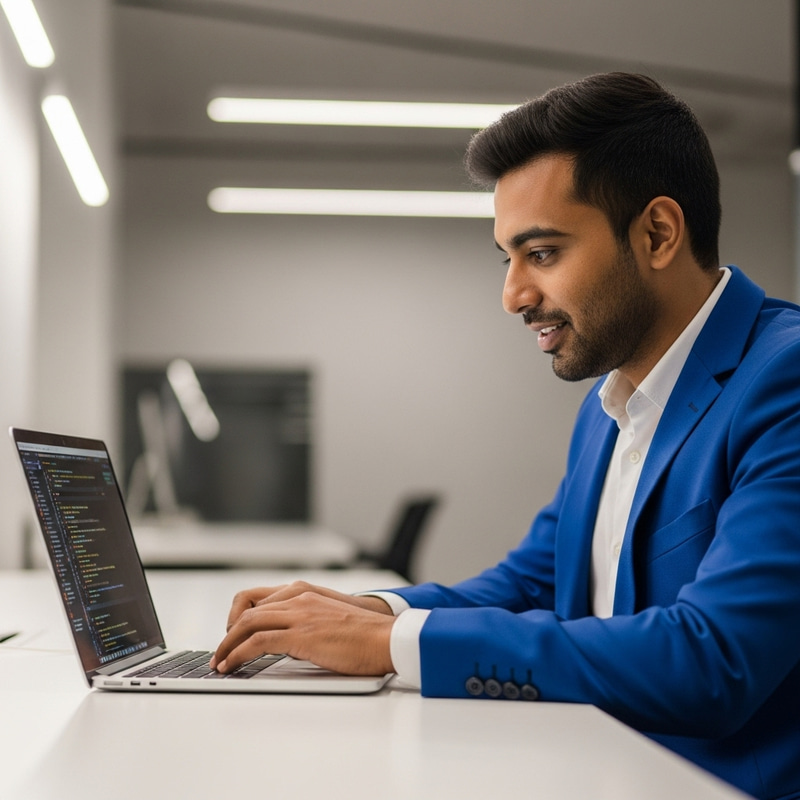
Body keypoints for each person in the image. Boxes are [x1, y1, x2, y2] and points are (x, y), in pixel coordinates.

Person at [210, 73, 800, 800]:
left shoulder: (785, 378)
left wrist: (396, 646)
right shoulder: (610, 403)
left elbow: (715, 662)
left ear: (656, 234)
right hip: (602, 765)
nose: (514, 295)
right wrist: (375, 612)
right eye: (507, 259)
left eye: (543, 253)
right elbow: (536, 581)